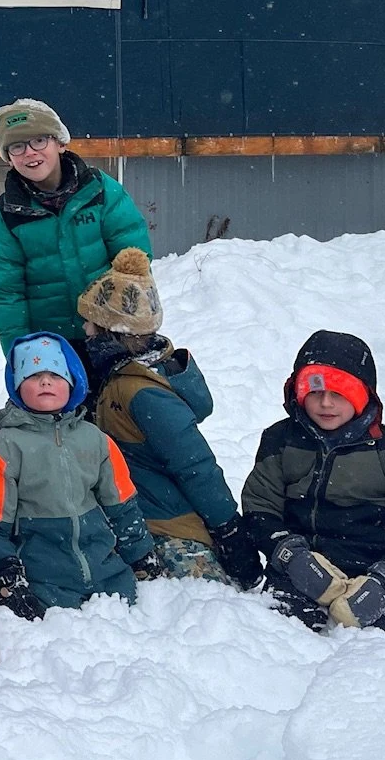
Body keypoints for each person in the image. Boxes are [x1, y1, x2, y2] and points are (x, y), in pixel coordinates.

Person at [77, 249, 263, 589]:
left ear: (114, 331)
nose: (84, 329)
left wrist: (229, 529)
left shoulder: (142, 392)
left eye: (91, 322)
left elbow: (195, 465)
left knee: (199, 606)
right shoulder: (115, 377)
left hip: (169, 528)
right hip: (139, 519)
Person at [242, 330, 385, 634]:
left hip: (378, 566)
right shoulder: (280, 440)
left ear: (363, 397)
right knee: (282, 625)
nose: (325, 403)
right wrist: (291, 556)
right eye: (315, 391)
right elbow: (260, 511)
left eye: (339, 393)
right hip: (305, 568)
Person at [0, 332, 159, 617]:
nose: (45, 381)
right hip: (43, 575)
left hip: (105, 570)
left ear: (73, 383)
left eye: (55, 375)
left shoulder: (96, 440)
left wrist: (140, 552)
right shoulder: (4, 449)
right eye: (33, 376)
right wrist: (6, 572)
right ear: (17, 387)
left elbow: (121, 505)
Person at [0, 98, 152, 348]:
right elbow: (5, 295)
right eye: (17, 146)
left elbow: (133, 260)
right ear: (9, 158)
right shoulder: (7, 215)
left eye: (39, 140)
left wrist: (125, 327)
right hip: (50, 347)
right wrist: (22, 353)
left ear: (60, 143)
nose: (30, 152)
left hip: (112, 333)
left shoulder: (100, 192)